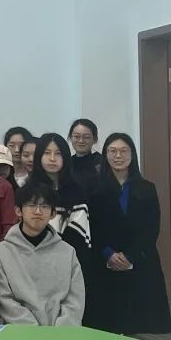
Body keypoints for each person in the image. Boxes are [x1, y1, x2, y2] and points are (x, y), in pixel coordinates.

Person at [89, 133, 171, 335]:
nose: (118, 156)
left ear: (132, 154)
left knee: (142, 327)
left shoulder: (147, 188)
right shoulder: (93, 188)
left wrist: (130, 255)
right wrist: (108, 253)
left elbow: (151, 228)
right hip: (104, 263)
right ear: (105, 155)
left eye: (124, 151)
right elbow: (92, 226)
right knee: (107, 327)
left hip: (140, 261)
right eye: (113, 151)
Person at [0, 183, 85, 326]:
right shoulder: (1, 252)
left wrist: (61, 331)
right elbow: (5, 301)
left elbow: (75, 299)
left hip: (61, 333)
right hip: (19, 332)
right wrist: (35, 332)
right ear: (18, 211)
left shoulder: (68, 252)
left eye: (45, 206)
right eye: (31, 205)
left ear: (53, 214)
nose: (38, 211)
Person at [27, 134, 92, 280]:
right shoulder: (29, 192)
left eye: (58, 153)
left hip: (71, 265)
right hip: (34, 265)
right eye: (47, 153)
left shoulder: (77, 192)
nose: (52, 158)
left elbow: (79, 235)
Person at [68, 119, 102, 193]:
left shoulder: (101, 163)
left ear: (95, 139)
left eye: (86, 137)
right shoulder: (66, 163)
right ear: (70, 137)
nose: (81, 141)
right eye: (77, 136)